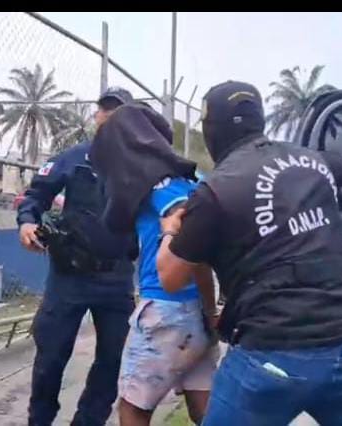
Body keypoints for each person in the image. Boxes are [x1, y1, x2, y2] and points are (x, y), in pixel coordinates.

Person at [155, 80, 342, 425]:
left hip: (272, 355)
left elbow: (169, 277)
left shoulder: (214, 191)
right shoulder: (312, 161)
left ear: (211, 130)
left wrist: (170, 229)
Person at [89, 103, 220, 425]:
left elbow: (187, 241)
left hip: (165, 309)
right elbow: (202, 254)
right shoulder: (191, 180)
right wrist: (209, 311)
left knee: (133, 407)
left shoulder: (160, 186)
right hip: (196, 309)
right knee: (205, 410)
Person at [17, 87, 137, 426]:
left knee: (112, 361)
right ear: (96, 116)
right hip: (69, 276)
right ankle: (40, 420)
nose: (109, 116)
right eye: (104, 109)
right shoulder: (75, 157)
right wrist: (27, 222)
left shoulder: (140, 166)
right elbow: (36, 195)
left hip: (116, 279)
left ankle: (88, 421)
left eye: (118, 111)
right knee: (50, 357)